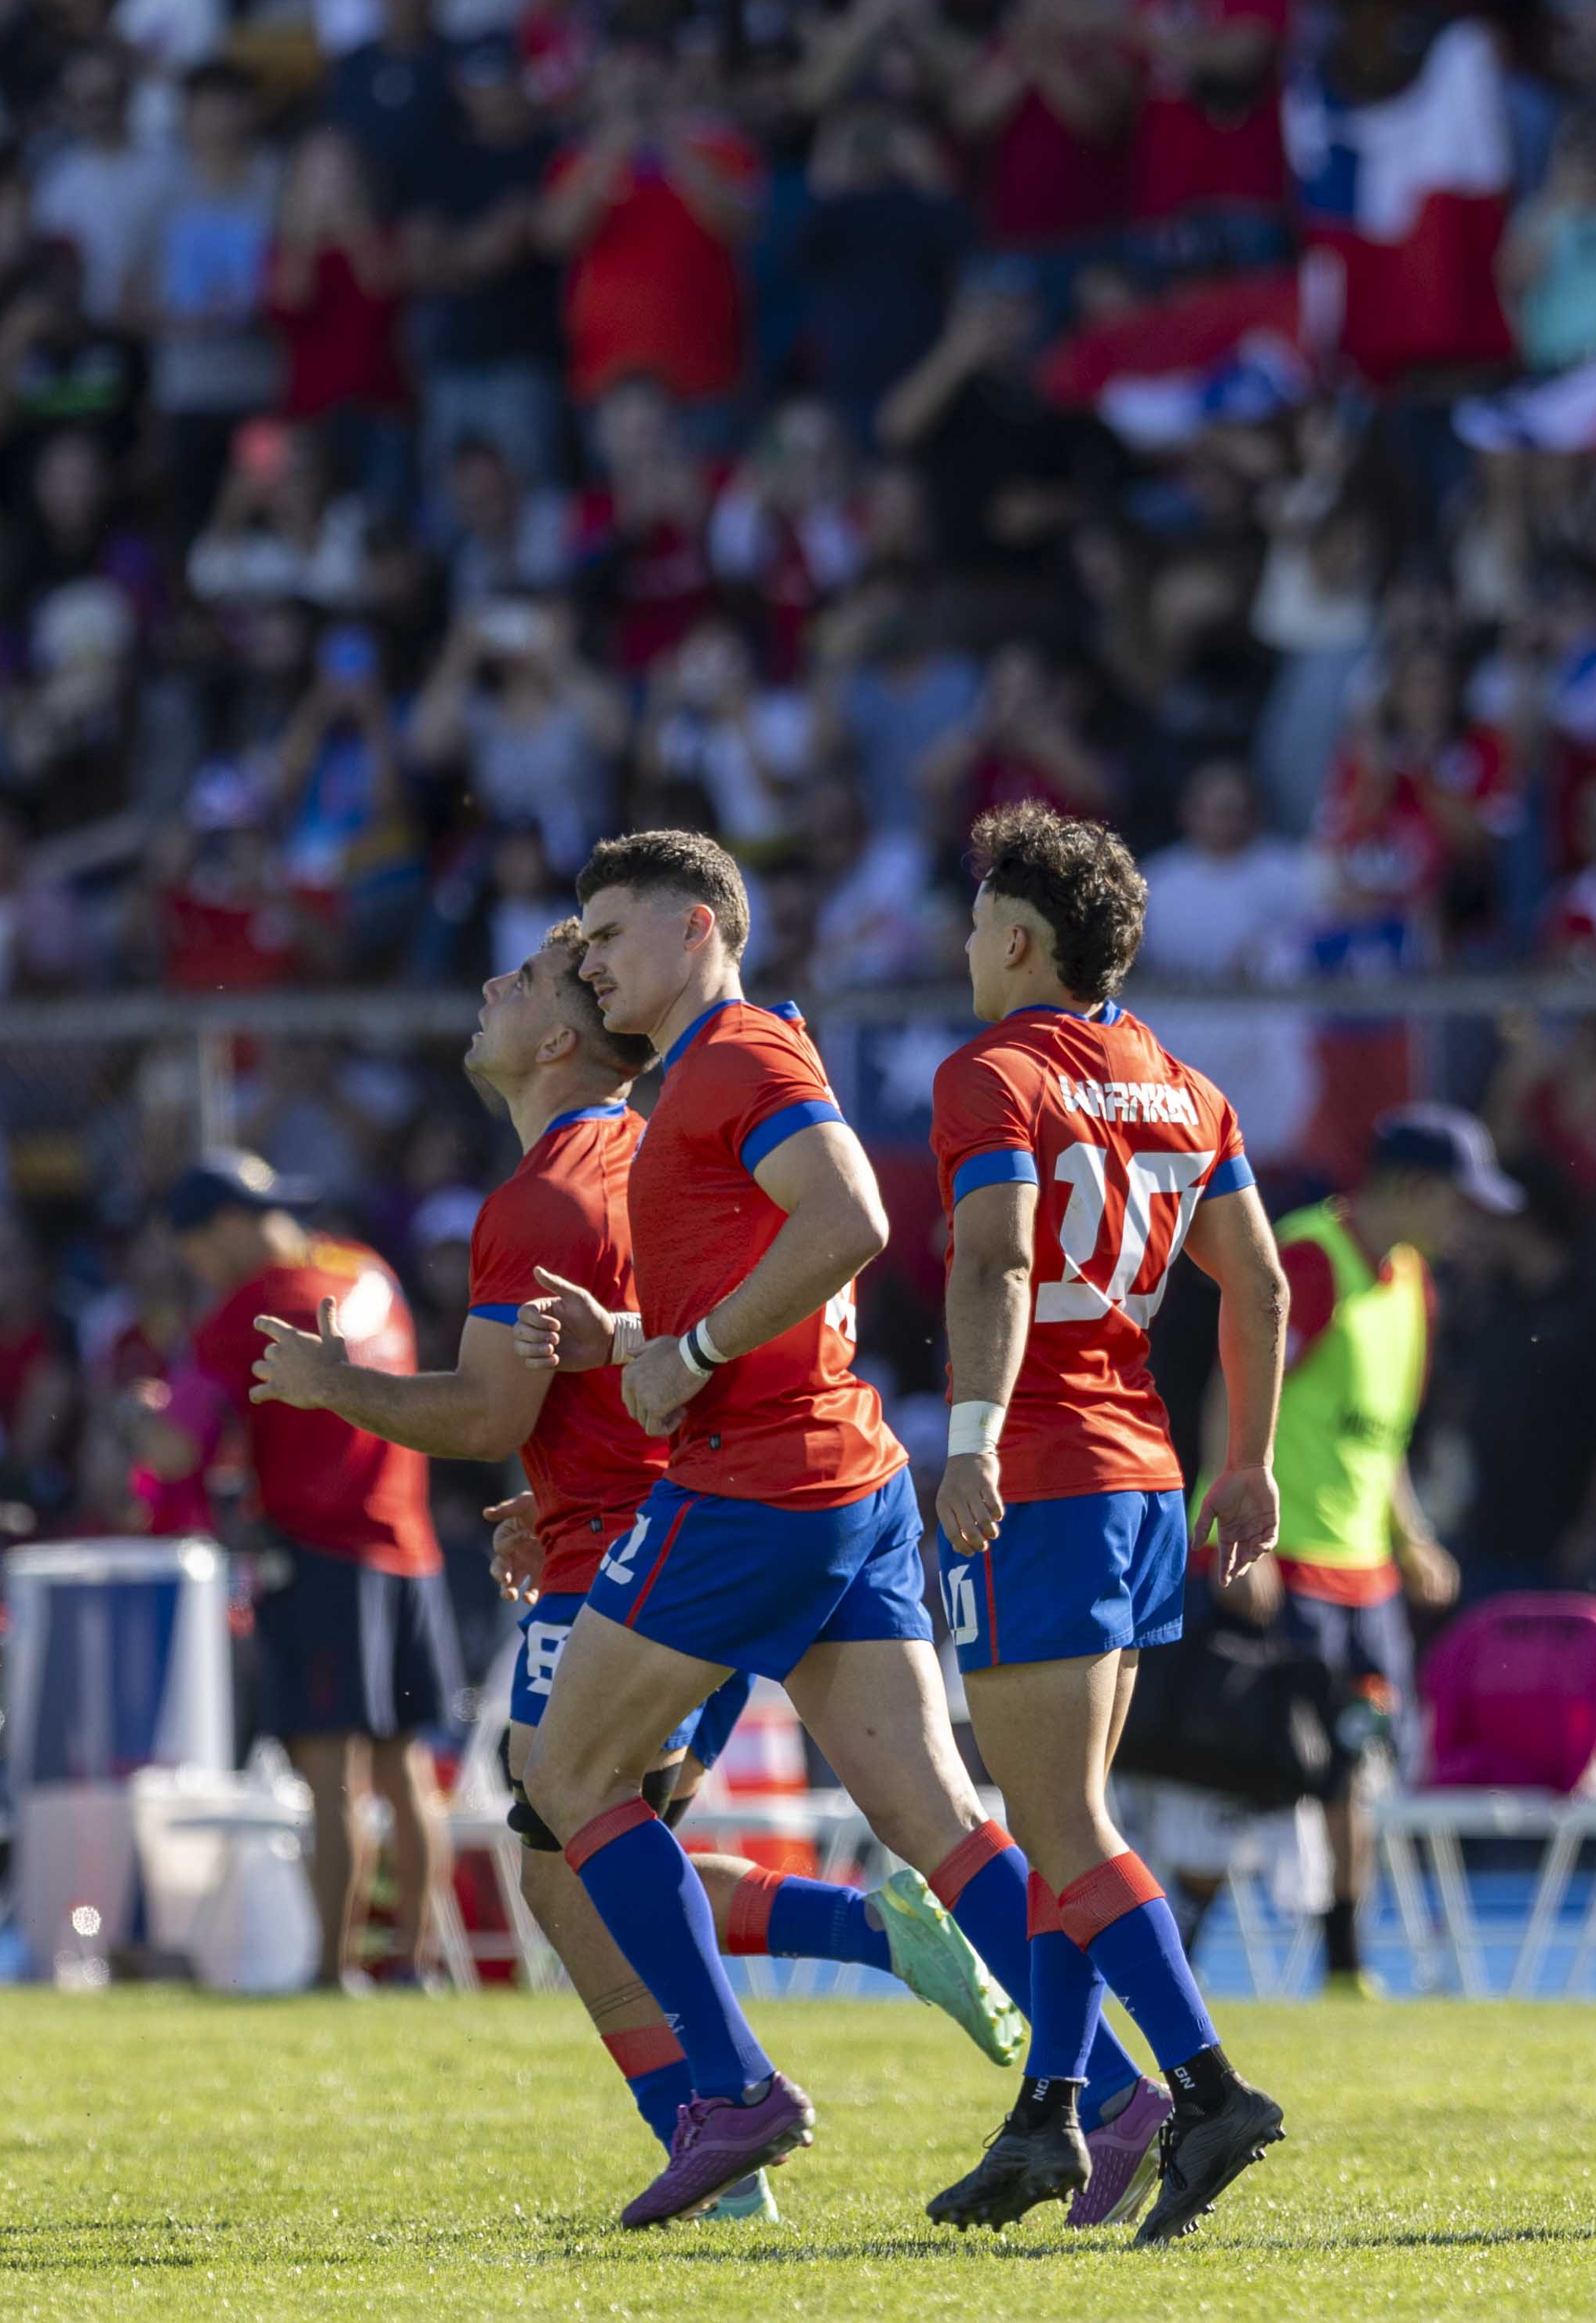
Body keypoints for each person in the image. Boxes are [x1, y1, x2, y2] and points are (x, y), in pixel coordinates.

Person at [247, 923, 1023, 2219]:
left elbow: (486, 1409)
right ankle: (897, 2011)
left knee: (567, 1848)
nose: (488, 988)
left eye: (520, 982)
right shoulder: (660, 1152)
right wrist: (553, 1485)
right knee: (603, 1848)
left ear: (559, 1035)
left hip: (649, 1551)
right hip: (704, 1512)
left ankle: (729, 2109)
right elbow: (635, 1363)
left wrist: (338, 1387)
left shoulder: (545, 1193)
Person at [506, 830, 1061, 2228]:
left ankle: (733, 2092)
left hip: (758, 1480)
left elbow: (853, 1217)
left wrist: (684, 1356)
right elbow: (780, 1270)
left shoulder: (736, 1054)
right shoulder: (718, 1067)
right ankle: (1108, 2091)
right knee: (935, 1817)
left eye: (608, 933)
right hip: (842, 1469)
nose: (588, 962)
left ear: (698, 926)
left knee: (569, 1782)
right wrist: (641, 1342)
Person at [920, 801, 1295, 2241]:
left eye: (978, 922)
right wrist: (1247, 1463)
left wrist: (968, 1439)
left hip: (1041, 1468)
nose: (966, 945)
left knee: (1060, 1819)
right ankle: (1050, 2114)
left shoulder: (993, 1074)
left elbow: (998, 1263)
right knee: (1062, 1812)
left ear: (1020, 941)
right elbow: (1260, 1284)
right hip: (1143, 1473)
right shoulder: (1186, 1087)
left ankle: (1206, 2089)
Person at [165, 1153, 449, 1993]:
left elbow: (174, 1450)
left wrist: (134, 1422)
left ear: (224, 1228)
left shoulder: (249, 1309)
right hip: (411, 1546)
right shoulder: (369, 1270)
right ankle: (415, 1964)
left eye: (195, 1251)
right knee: (403, 1769)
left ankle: (331, 1973)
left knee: (330, 1776)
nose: (199, 1270)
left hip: (322, 1556)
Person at [1237, 1103, 1485, 1996]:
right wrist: (1237, 1540)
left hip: (1364, 1577)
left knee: (1356, 1767)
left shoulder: (1414, 1283)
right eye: (1460, 1200)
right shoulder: (1309, 1258)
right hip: (1285, 1563)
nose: (1468, 1222)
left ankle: (1344, 1969)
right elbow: (1235, 1393)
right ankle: (1171, 1953)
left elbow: (1383, 1439)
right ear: (1412, 1187)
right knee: (1238, 1772)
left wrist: (1412, 1539)